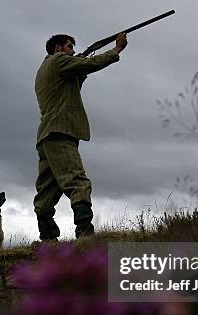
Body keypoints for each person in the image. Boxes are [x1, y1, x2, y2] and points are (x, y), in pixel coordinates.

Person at [33, 32, 128, 240]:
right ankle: (85, 233)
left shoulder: (44, 69)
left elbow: (72, 85)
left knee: (47, 191)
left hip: (47, 135)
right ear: (58, 49)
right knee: (77, 181)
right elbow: (92, 64)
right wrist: (116, 49)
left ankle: (47, 237)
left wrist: (81, 65)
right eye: (69, 47)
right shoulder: (58, 60)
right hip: (60, 132)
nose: (73, 51)